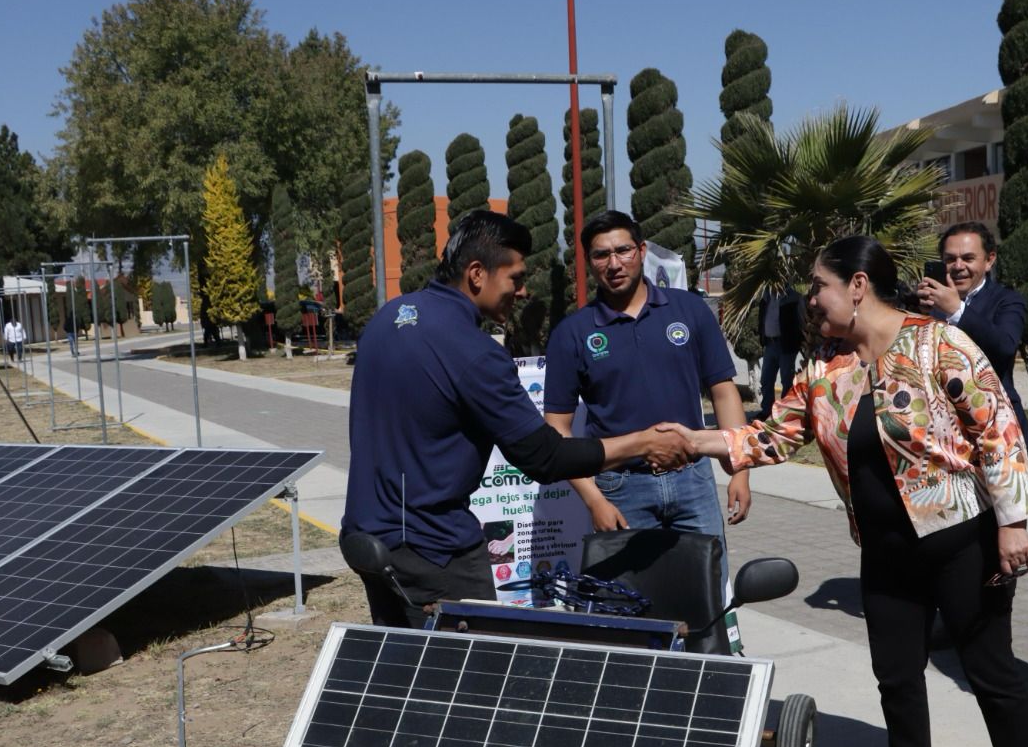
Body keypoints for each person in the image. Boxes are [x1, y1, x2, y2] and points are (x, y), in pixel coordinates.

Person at [662, 234, 1028, 747]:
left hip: (960, 540)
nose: (811, 298)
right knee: (895, 675)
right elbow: (772, 435)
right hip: (885, 548)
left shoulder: (939, 343)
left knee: (990, 672)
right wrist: (695, 440)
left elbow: (997, 430)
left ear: (859, 286)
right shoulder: (826, 367)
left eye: (820, 285)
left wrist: (1013, 522)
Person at [341, 210, 691, 629]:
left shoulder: (389, 317)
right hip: (433, 550)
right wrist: (642, 443)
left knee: (400, 661)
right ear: (477, 274)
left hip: (366, 536)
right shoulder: (474, 352)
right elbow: (545, 457)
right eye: (515, 278)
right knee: (472, 667)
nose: (522, 292)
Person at [544, 210, 752, 569]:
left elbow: (723, 391)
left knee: (705, 590)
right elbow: (557, 429)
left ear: (641, 251)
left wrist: (740, 470)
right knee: (630, 599)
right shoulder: (571, 333)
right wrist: (594, 500)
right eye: (601, 255)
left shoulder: (689, 309)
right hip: (620, 489)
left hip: (694, 482)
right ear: (590, 262)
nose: (614, 264)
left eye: (623, 250)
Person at [916, 221, 1028, 444]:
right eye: (950, 259)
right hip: (940, 431)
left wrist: (956, 311)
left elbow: (1004, 346)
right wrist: (918, 316)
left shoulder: (1007, 300)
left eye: (968, 258)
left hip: (997, 428)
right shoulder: (929, 304)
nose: (958, 266)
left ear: (989, 260)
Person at [754, 287, 803, 419]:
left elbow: (799, 321)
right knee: (766, 379)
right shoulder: (766, 296)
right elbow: (762, 318)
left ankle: (784, 413)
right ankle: (767, 411)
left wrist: (797, 342)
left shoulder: (792, 297)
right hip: (770, 344)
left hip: (786, 345)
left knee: (786, 380)